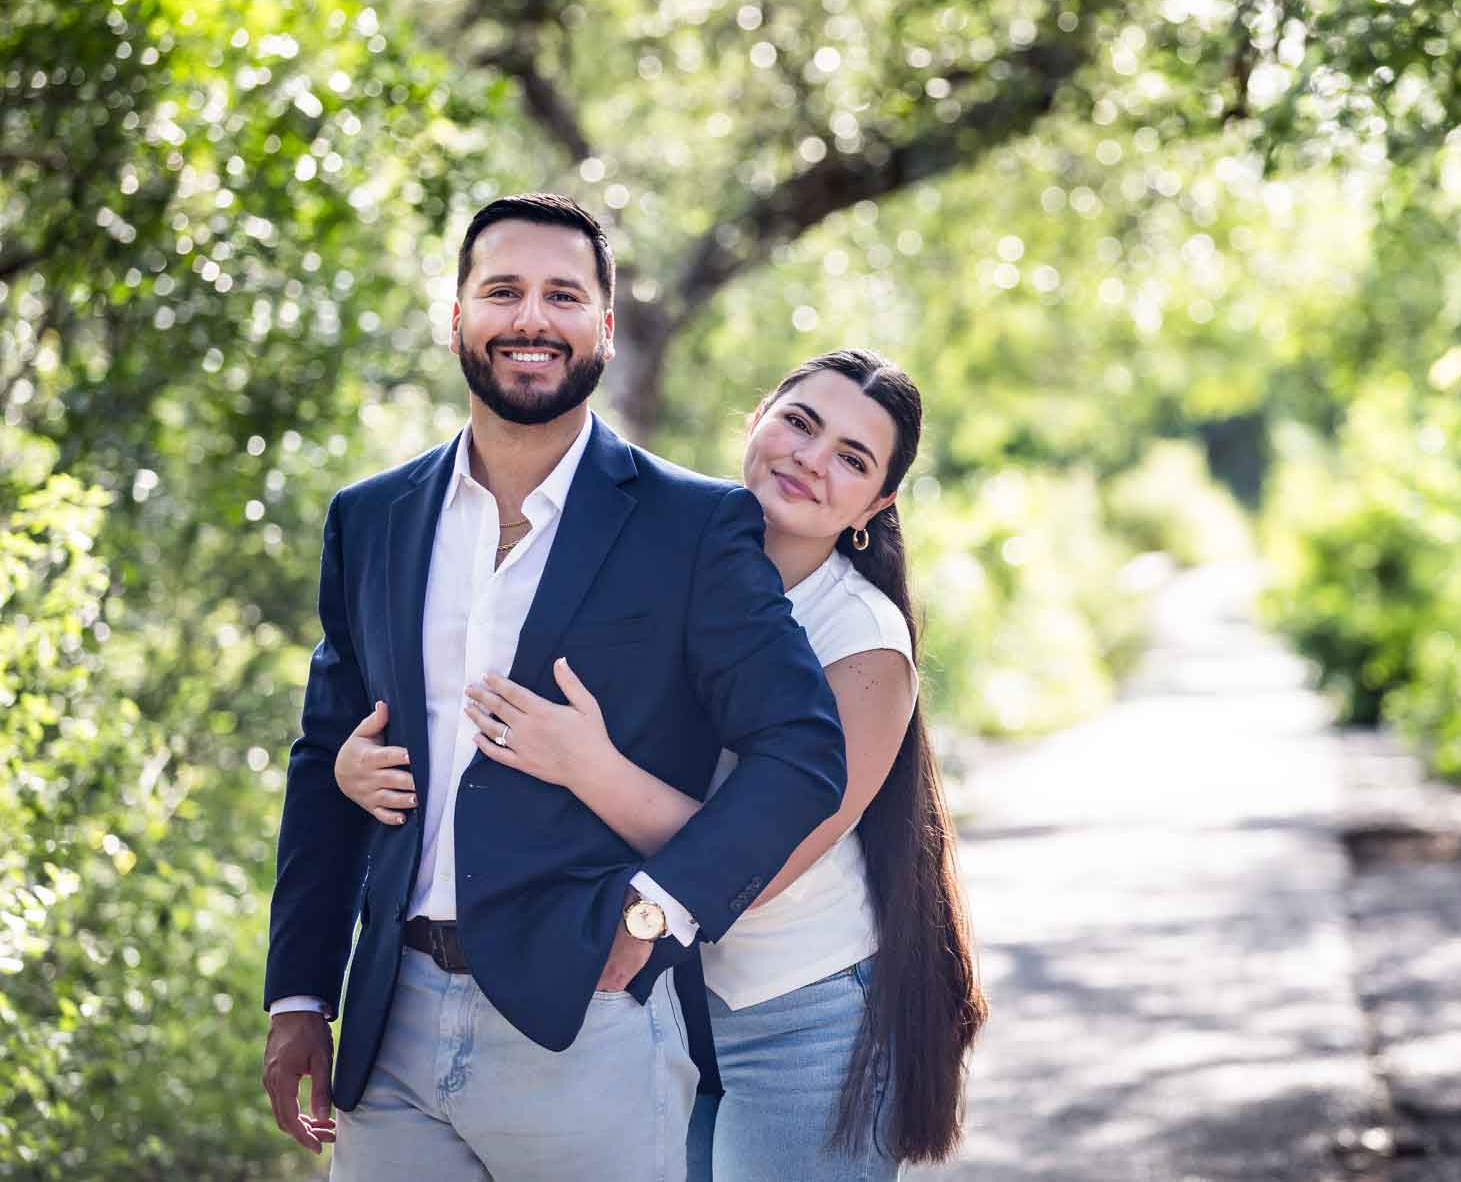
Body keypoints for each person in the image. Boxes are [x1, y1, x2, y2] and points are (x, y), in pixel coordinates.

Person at [259, 193, 847, 1182]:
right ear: (457, 316)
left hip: (589, 1022)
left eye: (561, 295)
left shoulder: (693, 526)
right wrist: (298, 996)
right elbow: (327, 757)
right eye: (502, 290)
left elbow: (802, 755)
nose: (530, 317)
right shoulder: (372, 519)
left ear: (603, 329)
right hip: (387, 1024)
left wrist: (659, 909)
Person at [335, 349, 987, 1178]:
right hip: (649, 997)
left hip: (792, 1014)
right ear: (756, 419)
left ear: (879, 502)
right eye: (800, 422)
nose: (811, 460)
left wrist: (590, 767)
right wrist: (361, 765)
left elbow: (767, 859)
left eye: (853, 459)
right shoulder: (661, 555)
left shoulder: (863, 643)